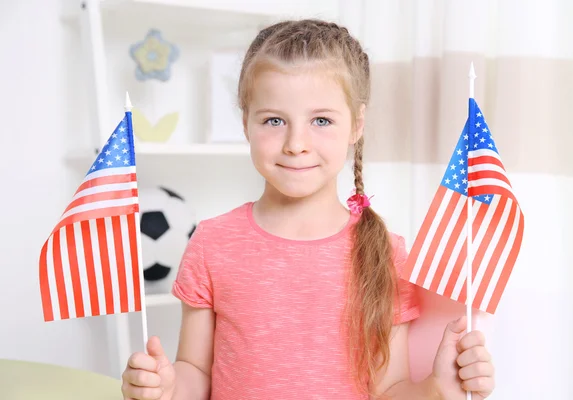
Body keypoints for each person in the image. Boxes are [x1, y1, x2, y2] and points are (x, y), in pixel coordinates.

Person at [120, 19, 495, 400]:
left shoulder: (385, 251)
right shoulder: (213, 243)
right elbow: (196, 371)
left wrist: (438, 389)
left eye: (321, 120)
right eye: (274, 120)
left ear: (356, 125)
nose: (296, 143)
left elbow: (390, 389)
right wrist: (165, 388)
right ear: (246, 122)